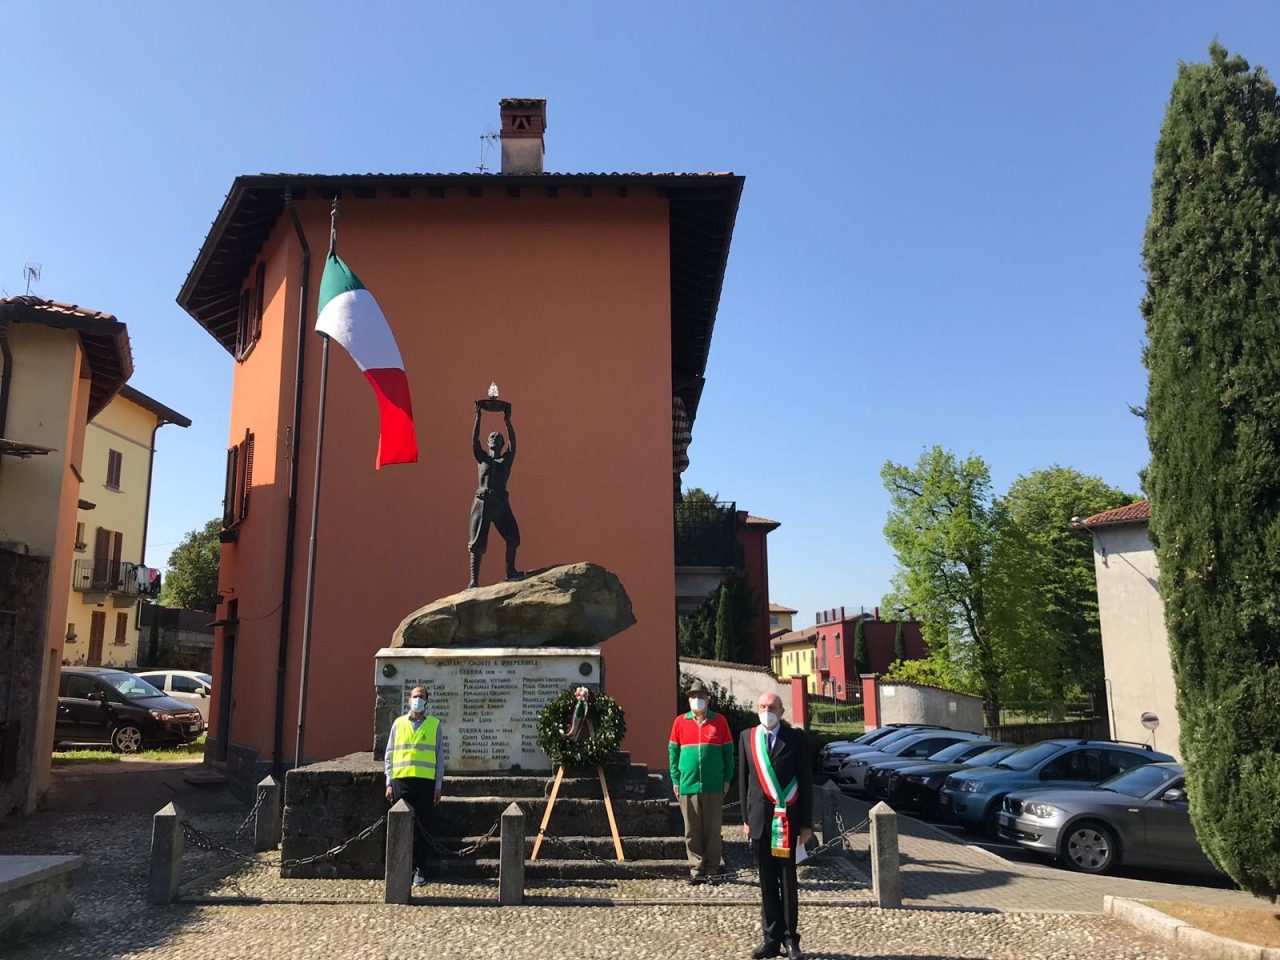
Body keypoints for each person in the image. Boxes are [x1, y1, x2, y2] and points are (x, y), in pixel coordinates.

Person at [738, 692, 813, 960]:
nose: (766, 711)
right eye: (762, 707)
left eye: (771, 707)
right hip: (760, 823)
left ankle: (791, 939)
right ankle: (770, 939)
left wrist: (806, 823)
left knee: (787, 882)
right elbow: (744, 781)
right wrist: (746, 820)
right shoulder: (747, 737)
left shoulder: (796, 739)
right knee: (766, 884)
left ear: (781, 711)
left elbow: (805, 782)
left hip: (787, 824)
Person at [668, 681, 735, 884]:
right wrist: (675, 780)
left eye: (701, 696)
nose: (697, 700)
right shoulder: (680, 722)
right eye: (693, 696)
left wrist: (727, 779)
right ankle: (696, 867)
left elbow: (728, 754)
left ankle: (713, 868)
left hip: (714, 785)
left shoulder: (720, 721)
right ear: (688, 700)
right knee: (691, 829)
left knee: (713, 829)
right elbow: (673, 752)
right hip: (687, 784)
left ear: (708, 699)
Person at [384, 685, 446, 886]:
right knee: (402, 827)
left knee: (423, 829)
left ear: (427, 701)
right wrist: (388, 782)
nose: (417, 700)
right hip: (401, 782)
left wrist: (438, 786)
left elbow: (439, 757)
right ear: (408, 700)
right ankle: (401, 867)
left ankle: (420, 869)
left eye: (421, 697)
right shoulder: (398, 724)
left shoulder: (434, 725)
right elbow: (390, 754)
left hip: (425, 783)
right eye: (415, 696)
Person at [467, 401, 522, 588]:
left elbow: (513, 444)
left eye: (499, 439)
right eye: (492, 439)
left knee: (513, 537)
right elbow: (474, 441)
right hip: (483, 502)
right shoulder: (482, 458)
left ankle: (511, 571)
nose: (495, 441)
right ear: (489, 443)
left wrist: (508, 421)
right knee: (477, 543)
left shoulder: (505, 460)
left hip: (500, 503)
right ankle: (474, 580)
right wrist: (478, 416)